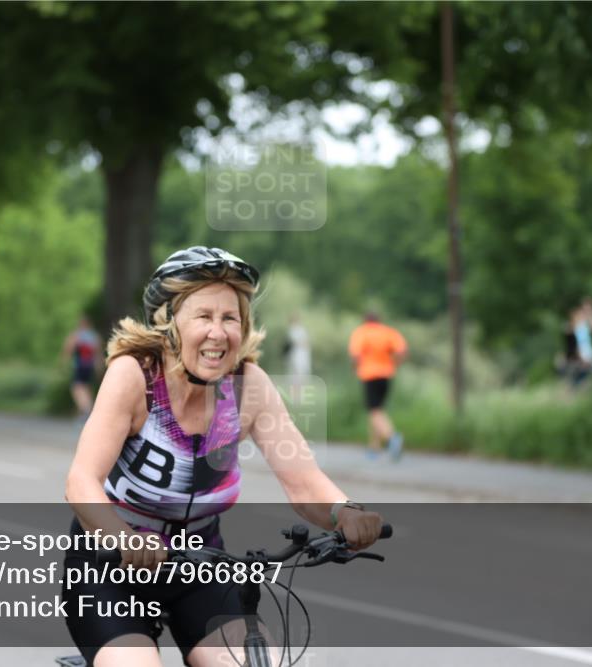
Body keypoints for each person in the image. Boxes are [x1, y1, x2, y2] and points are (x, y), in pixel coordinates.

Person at [63, 246, 386, 667]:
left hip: (199, 565)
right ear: (169, 322)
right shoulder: (135, 375)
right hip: (109, 568)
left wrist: (346, 512)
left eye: (230, 318)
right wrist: (123, 537)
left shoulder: (249, 387)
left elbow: (303, 481)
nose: (219, 333)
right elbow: (81, 481)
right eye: (204, 317)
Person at [348, 312, 406, 461]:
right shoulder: (388, 332)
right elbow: (402, 351)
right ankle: (374, 447)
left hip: (369, 375)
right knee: (378, 411)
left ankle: (392, 437)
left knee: (374, 412)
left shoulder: (362, 332)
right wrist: (394, 364)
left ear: (365, 321)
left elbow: (355, 355)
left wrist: (355, 368)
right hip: (386, 375)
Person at [62, 316, 102, 421]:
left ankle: (86, 410)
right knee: (87, 388)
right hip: (89, 366)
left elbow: (68, 349)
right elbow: (98, 354)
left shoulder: (76, 335)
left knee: (77, 388)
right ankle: (89, 411)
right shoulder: (94, 336)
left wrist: (64, 362)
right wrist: (98, 368)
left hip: (79, 365)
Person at [283, 313, 311, 400]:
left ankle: (299, 396)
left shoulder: (299, 330)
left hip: (301, 356)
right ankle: (295, 396)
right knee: (295, 376)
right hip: (295, 356)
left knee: (300, 376)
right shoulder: (292, 331)